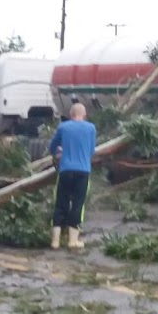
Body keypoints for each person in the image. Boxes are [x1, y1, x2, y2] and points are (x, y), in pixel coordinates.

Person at [48, 103, 97, 249]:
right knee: (78, 204)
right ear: (84, 114)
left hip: (65, 171)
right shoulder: (91, 128)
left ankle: (55, 242)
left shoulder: (63, 127)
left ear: (71, 115)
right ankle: (72, 241)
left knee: (60, 203)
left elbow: (52, 147)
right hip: (83, 171)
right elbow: (91, 151)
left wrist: (60, 151)